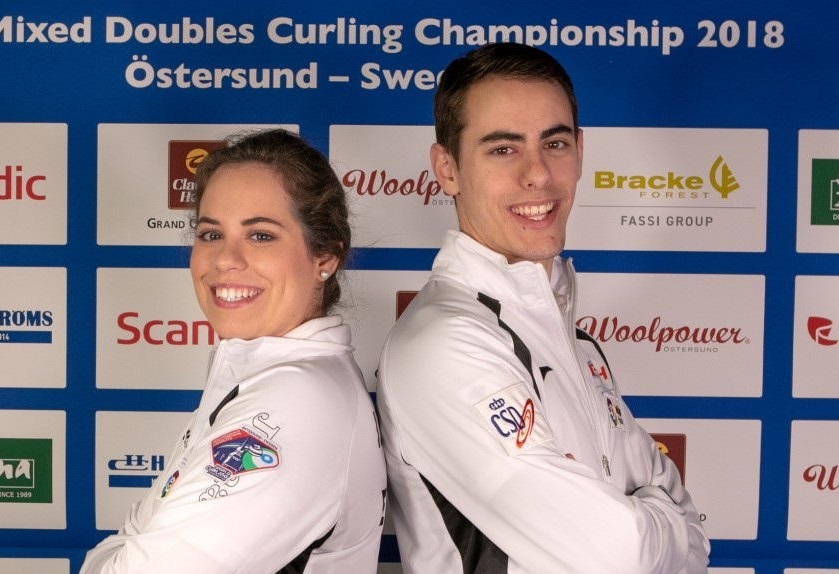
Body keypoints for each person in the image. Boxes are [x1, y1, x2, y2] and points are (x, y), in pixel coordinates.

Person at [375, 43, 710, 573]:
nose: (538, 175)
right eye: (503, 149)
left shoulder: (571, 338)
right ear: (447, 169)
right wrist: (649, 516)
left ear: (580, 151)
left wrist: (646, 522)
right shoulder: (443, 345)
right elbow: (615, 556)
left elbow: (692, 524)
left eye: (554, 143)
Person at [81, 129, 386, 573]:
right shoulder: (262, 371)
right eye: (210, 234)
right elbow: (130, 545)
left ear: (325, 256)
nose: (225, 259)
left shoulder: (297, 400)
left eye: (260, 236)